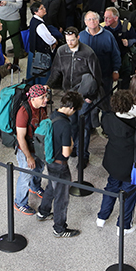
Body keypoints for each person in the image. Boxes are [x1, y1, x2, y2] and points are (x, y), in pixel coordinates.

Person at [97, 90, 136, 235]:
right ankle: (124, 225)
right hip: (131, 167)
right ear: (131, 104)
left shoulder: (107, 118)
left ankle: (102, 217)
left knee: (111, 187)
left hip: (112, 162)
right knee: (129, 194)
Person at [47, 27, 102, 165]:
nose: (70, 43)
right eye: (67, 40)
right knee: (71, 124)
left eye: (72, 40)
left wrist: (92, 95)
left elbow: (96, 76)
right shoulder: (61, 51)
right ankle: (75, 147)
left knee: (84, 125)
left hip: (84, 96)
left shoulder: (88, 53)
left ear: (78, 37)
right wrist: (48, 85)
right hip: (68, 94)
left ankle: (83, 154)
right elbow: (56, 71)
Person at [36, 91, 84, 238]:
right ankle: (59, 228)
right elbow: (66, 153)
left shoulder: (53, 115)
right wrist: (70, 143)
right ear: (72, 108)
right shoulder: (65, 125)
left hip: (49, 160)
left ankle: (42, 212)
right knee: (62, 197)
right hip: (60, 164)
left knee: (51, 185)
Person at [13, 84, 49, 216]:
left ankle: (35, 187)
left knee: (39, 167)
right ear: (32, 99)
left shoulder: (41, 108)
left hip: (37, 145)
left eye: (45, 96)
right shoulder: (23, 112)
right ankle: (19, 203)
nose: (45, 99)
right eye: (42, 97)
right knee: (26, 173)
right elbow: (21, 138)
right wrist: (28, 157)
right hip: (25, 147)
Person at [80, 11, 121, 95]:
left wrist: (116, 70)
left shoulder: (108, 35)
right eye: (89, 19)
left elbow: (115, 54)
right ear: (85, 22)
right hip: (87, 76)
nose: (92, 21)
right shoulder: (81, 36)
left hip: (105, 74)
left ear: (98, 21)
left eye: (94, 19)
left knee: (106, 99)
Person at [102, 7, 136, 88]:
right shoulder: (101, 28)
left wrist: (128, 42)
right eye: (104, 17)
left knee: (124, 83)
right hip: (108, 60)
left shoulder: (126, 26)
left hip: (124, 58)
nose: (105, 20)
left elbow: (135, 38)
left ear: (116, 18)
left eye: (108, 18)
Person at [27, 0, 57, 84]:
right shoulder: (40, 25)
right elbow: (49, 40)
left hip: (33, 52)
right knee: (42, 77)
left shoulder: (33, 20)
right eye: (41, 8)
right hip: (40, 56)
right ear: (36, 12)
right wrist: (55, 41)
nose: (44, 9)